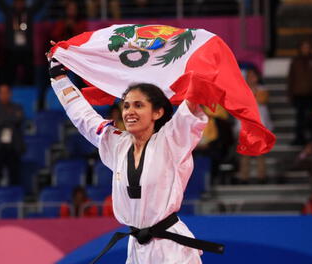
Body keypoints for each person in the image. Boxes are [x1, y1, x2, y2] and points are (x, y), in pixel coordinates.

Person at [48, 58, 224, 263]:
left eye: (139, 105)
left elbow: (192, 104)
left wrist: (201, 65)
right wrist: (59, 78)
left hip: (172, 248)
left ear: (157, 112)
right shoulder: (116, 144)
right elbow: (82, 116)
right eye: (126, 106)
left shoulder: (171, 141)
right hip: (137, 247)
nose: (129, 112)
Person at [0, 0, 46, 85]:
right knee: (9, 74)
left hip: (27, 50)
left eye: (21, 2)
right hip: (11, 50)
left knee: (29, 74)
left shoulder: (29, 12)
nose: (19, 4)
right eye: (17, 2)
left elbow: (40, 4)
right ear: (14, 3)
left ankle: (29, 93)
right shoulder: (9, 11)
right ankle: (8, 91)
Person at [239, 68, 273, 184]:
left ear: (258, 78)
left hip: (260, 124)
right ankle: (244, 177)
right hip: (246, 125)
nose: (251, 78)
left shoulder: (263, 90)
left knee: (261, 153)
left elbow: (262, 100)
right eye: (249, 76)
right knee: (245, 153)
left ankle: (262, 176)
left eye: (253, 76)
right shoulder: (241, 90)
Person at [0, 84, 25, 188]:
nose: (4, 95)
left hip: (13, 146)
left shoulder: (17, 107)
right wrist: (11, 118)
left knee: (15, 175)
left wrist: (4, 119)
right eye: (2, 93)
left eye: (6, 93)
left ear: (10, 94)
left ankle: (14, 199)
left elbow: (19, 119)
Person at [287, 39, 312, 145]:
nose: (306, 49)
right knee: (300, 118)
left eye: (307, 47)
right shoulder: (295, 61)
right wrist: (290, 93)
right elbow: (291, 78)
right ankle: (299, 138)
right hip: (299, 94)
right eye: (304, 47)